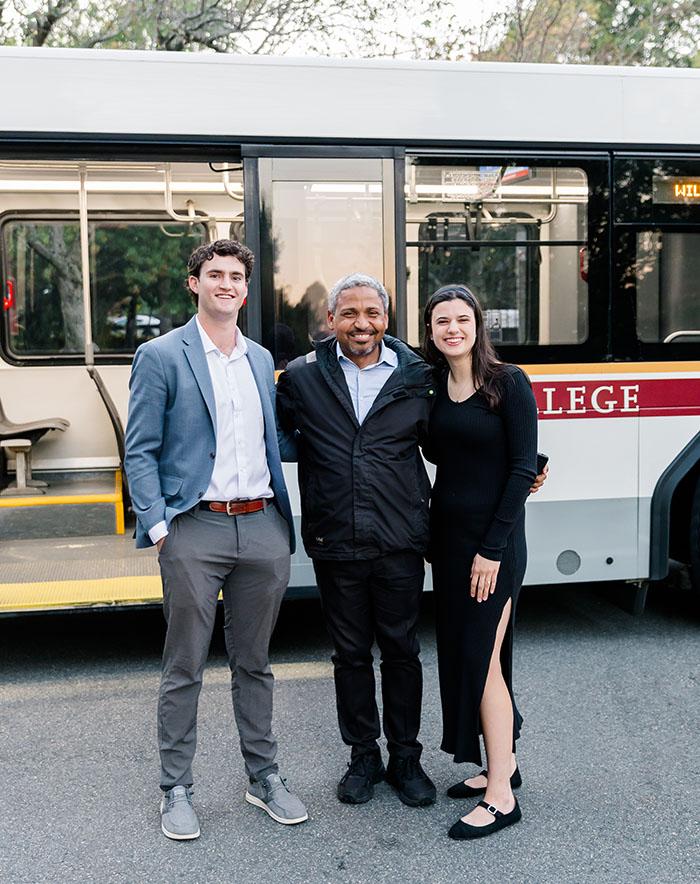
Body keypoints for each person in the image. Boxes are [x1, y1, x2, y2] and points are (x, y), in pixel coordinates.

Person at [124, 239, 307, 841]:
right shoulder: (160, 355)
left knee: (255, 663)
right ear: (194, 283)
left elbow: (274, 438)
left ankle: (264, 777)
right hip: (193, 528)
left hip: (261, 527)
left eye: (236, 276)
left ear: (246, 290)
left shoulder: (260, 358)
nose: (226, 283)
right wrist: (159, 527)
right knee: (185, 664)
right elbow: (140, 449)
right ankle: (175, 788)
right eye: (215, 274)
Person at [276, 273, 438, 809]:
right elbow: (269, 436)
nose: (361, 323)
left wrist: (523, 465)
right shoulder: (302, 378)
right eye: (349, 313)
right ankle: (363, 756)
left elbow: (453, 440)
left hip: (399, 539)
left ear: (386, 319)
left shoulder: (418, 375)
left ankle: (406, 758)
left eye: (372, 313)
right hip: (336, 538)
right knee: (349, 655)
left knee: (402, 651)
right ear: (331, 320)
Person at [422, 284, 538, 840]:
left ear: (478, 325)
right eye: (442, 321)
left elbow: (522, 467)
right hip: (447, 542)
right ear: (430, 331)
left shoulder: (508, 382)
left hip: (493, 546)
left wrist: (491, 550)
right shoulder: (433, 386)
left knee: (482, 659)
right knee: (468, 656)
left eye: (462, 319)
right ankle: (502, 765)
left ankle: (501, 798)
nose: (453, 329)